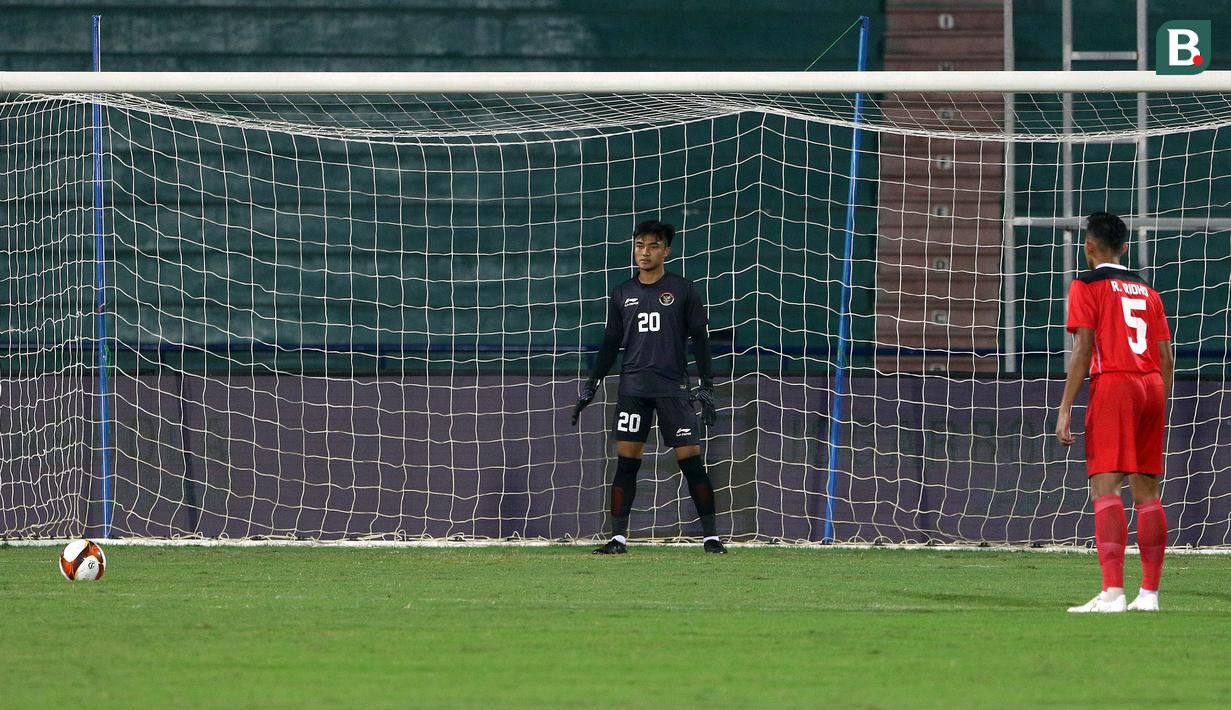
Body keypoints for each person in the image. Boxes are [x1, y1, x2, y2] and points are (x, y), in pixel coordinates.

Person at [571, 219, 724, 554]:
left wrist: (708, 385)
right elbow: (611, 342)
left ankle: (712, 538)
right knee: (626, 464)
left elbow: (699, 339)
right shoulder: (623, 292)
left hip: (672, 389)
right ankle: (618, 539)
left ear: (666, 250)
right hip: (633, 390)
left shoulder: (683, 289)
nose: (645, 252)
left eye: (653, 245)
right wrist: (592, 383)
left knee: (691, 463)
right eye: (640, 245)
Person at [1056, 211, 1173, 613]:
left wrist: (1066, 408)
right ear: (1125, 247)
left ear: (1088, 247)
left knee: (1105, 487)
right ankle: (1150, 595)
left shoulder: (1085, 284)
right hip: (1153, 386)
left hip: (1116, 384)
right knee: (1148, 492)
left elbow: (1083, 349)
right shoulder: (1148, 290)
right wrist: (1159, 403)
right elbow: (1166, 357)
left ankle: (1112, 593)